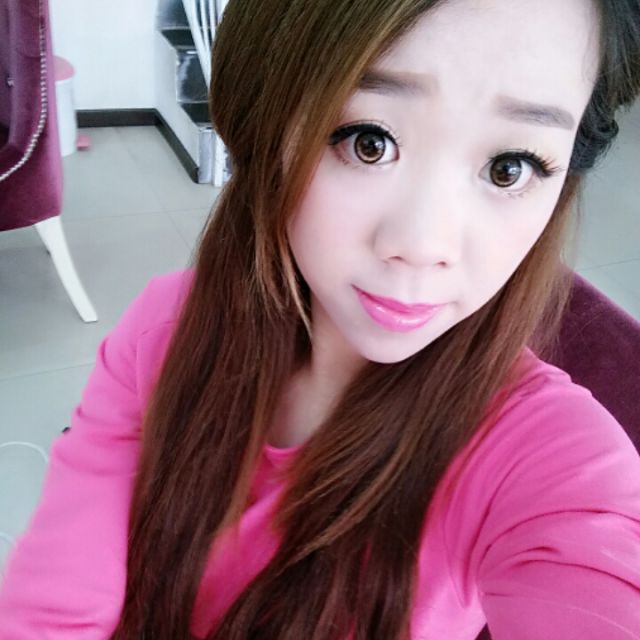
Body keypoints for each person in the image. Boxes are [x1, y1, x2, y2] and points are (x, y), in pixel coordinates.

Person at [1, 0, 640, 638]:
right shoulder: (165, 329)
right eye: (369, 141)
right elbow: (53, 610)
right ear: (268, 126)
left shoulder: (548, 461)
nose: (422, 245)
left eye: (510, 167)